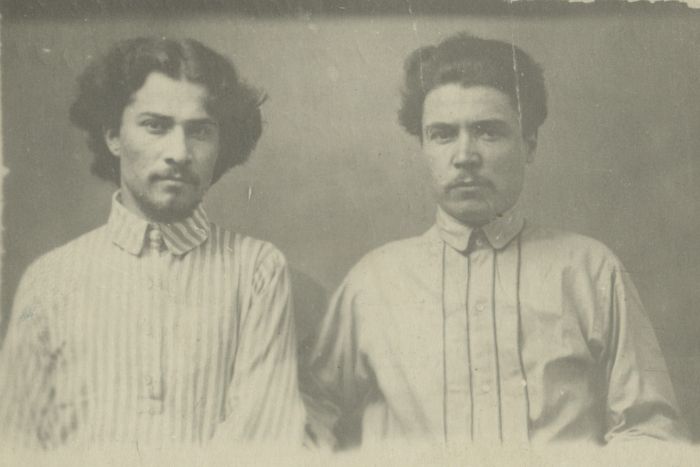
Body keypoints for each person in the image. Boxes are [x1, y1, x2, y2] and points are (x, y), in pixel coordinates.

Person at [305, 32, 688, 448]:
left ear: (529, 145)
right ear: (424, 147)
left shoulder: (589, 271)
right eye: (443, 134)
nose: (465, 156)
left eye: (488, 132)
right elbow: (309, 415)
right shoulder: (374, 282)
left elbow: (650, 430)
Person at [0, 37, 305, 449]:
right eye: (155, 126)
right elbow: (15, 443)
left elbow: (262, 440)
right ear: (113, 136)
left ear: (222, 144)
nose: (179, 152)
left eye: (200, 131)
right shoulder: (49, 280)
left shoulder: (257, 271)